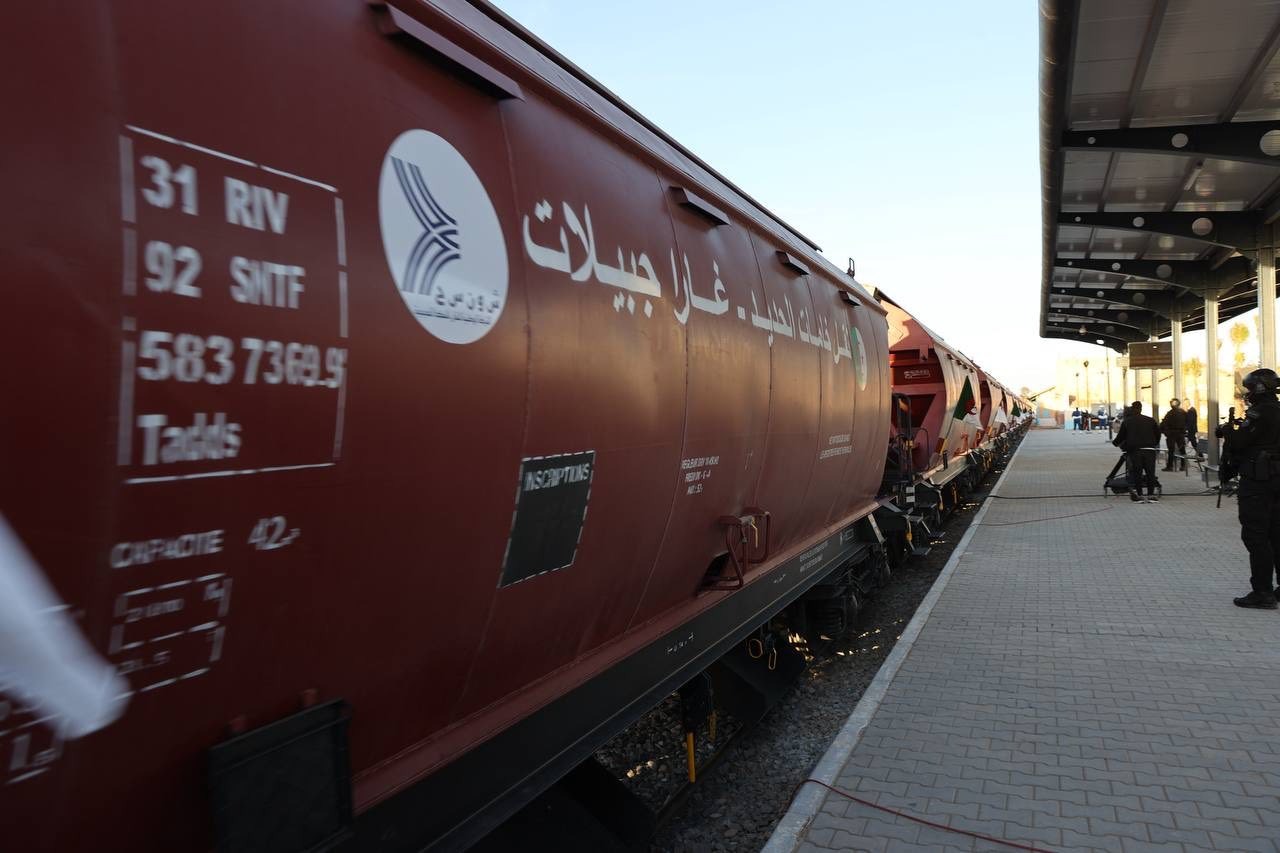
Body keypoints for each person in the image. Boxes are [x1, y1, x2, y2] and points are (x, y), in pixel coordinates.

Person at [1217, 368, 1280, 609]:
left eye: (1250, 388)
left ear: (1259, 388)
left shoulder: (1260, 412)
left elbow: (1241, 442)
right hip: (1276, 481)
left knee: (1256, 536)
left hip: (1258, 482)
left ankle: (1262, 592)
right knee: (1276, 534)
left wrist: (1227, 432)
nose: (1248, 393)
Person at [1112, 400, 1161, 503]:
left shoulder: (1127, 422)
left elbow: (1121, 436)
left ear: (1133, 409)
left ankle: (1139, 495)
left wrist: (1115, 443)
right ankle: (1151, 495)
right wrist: (1153, 443)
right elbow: (1158, 434)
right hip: (1149, 450)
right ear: (1141, 409)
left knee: (1137, 473)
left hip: (1135, 451)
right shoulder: (1150, 420)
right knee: (1150, 473)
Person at [1160, 398, 1187, 471]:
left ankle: (1171, 466)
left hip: (1173, 434)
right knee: (1180, 450)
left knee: (1173, 450)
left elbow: (1164, 423)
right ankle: (1181, 465)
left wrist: (1165, 431)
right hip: (1177, 434)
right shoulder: (1182, 412)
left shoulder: (1171, 413)